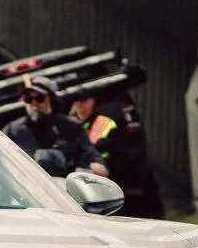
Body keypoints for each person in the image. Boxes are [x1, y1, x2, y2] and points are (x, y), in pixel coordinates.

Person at [70, 86, 164, 218]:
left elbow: (90, 144)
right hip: (135, 180)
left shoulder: (104, 116)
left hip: (127, 183)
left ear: (93, 100)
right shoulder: (118, 105)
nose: (79, 106)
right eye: (75, 102)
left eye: (83, 101)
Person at [2, 75, 108, 178]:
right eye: (29, 99)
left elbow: (90, 154)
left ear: (51, 100)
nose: (33, 103)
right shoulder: (13, 130)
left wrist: (97, 165)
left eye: (39, 98)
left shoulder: (72, 127)